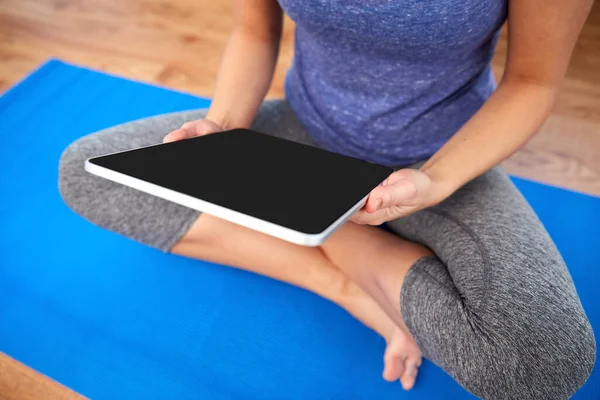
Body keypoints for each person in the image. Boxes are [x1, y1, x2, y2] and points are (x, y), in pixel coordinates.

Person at [58, 0, 596, 398]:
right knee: (86, 173)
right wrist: (222, 129)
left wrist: (434, 181)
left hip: (440, 161)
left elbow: (532, 81)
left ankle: (319, 231)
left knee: (543, 366)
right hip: (300, 133)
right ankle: (350, 279)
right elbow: (253, 28)